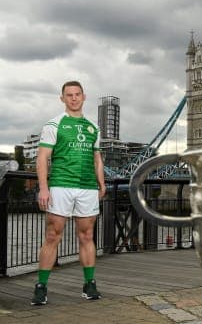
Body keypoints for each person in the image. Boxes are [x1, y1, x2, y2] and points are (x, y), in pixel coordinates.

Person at [31, 80, 105, 305]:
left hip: (87, 187)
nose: (73, 98)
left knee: (87, 235)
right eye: (69, 95)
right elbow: (43, 157)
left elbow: (97, 158)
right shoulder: (54, 124)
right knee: (53, 235)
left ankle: (89, 284)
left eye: (77, 94)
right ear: (62, 98)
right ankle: (41, 286)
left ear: (84, 97)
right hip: (61, 184)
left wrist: (101, 184)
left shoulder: (94, 127)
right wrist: (44, 187)